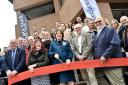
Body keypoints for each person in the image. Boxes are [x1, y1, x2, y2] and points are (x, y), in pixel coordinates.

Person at [93, 16, 125, 85]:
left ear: (104, 21)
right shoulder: (97, 33)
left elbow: (115, 44)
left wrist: (105, 55)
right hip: (103, 64)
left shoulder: (110, 30)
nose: (98, 23)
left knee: (118, 83)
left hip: (112, 63)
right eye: (96, 22)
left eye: (99, 21)